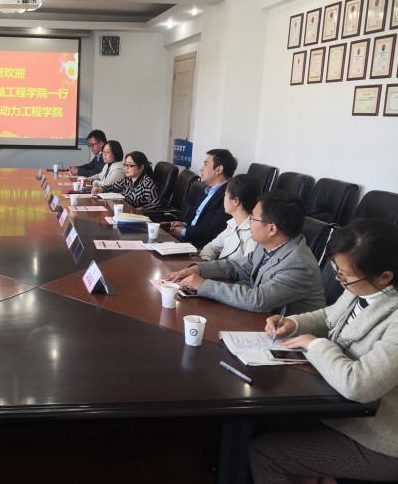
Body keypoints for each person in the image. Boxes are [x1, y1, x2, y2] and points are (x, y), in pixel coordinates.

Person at [250, 219, 398, 483]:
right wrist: (293, 324)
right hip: (341, 411)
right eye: (336, 271)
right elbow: (329, 316)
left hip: (379, 440)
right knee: (256, 422)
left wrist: (315, 344)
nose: (339, 280)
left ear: (385, 277)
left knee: (266, 454)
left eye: (345, 275)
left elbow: (360, 385)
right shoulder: (363, 287)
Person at [164, 190, 325, 314]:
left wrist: (204, 285)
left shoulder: (298, 264)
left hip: (291, 337)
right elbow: (239, 266)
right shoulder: (269, 245)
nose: (249, 223)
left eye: (253, 218)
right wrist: (198, 269)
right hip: (263, 320)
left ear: (272, 229)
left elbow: (258, 300)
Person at [167, 149, 237, 249]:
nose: (201, 168)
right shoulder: (207, 190)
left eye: (206, 164)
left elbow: (213, 230)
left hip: (199, 247)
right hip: (187, 239)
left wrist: (183, 232)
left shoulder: (228, 196)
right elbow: (198, 218)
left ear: (218, 169)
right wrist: (184, 224)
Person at [199, 174, 260, 261]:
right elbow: (212, 247)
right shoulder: (234, 223)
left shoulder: (254, 233)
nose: (224, 198)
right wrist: (205, 262)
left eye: (225, 195)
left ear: (236, 201)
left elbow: (246, 265)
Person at [92, 151, 161, 211]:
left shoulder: (147, 183)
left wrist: (138, 210)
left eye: (130, 165)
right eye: (125, 164)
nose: (126, 168)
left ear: (141, 167)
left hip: (140, 217)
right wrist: (100, 189)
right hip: (126, 213)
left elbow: (156, 205)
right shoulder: (128, 179)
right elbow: (113, 187)